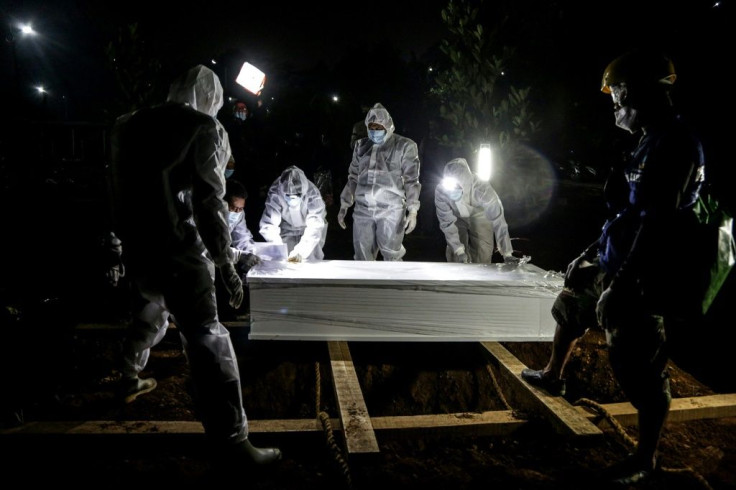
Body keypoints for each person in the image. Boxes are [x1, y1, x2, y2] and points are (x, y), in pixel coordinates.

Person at [520, 49, 705, 485]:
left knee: (636, 366)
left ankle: (645, 459)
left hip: (645, 274)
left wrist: (618, 285)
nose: (614, 104)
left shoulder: (674, 145)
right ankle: (553, 375)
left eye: (618, 95)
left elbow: (655, 224)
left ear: (639, 92)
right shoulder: (646, 141)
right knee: (569, 303)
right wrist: (589, 254)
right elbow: (626, 213)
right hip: (616, 257)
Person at [110, 64, 281, 465]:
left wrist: (116, 248)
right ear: (212, 98)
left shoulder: (125, 126)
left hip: (140, 249)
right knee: (207, 340)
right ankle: (233, 442)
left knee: (148, 313)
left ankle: (129, 376)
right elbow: (209, 206)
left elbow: (115, 194)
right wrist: (224, 263)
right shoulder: (205, 129)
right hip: (181, 254)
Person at [337, 103, 421, 261]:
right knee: (362, 256)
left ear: (388, 126)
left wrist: (413, 209)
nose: (374, 131)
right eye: (371, 127)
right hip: (363, 208)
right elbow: (353, 176)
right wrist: (344, 204)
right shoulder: (361, 146)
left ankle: (394, 285)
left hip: (391, 209)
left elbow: (411, 179)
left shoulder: (404, 146)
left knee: (391, 255)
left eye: (379, 127)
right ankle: (365, 285)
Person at [435, 157, 519, 264]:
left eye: (458, 187)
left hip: (480, 215)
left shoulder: (482, 188)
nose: (454, 191)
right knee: (455, 256)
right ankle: (457, 277)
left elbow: (498, 220)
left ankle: (479, 279)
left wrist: (507, 254)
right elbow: (447, 222)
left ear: (466, 184)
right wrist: (459, 251)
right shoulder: (441, 191)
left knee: (483, 253)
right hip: (457, 217)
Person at [259, 165, 328, 262]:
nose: (292, 198)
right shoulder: (276, 191)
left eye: (298, 195)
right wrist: (279, 248)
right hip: (287, 230)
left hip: (307, 230)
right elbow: (268, 224)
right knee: (283, 261)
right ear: (282, 191)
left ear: (303, 191)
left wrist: (301, 251)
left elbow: (314, 227)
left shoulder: (313, 194)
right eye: (288, 195)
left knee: (310, 262)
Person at [217, 179, 262, 320]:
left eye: (240, 208)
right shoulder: (209, 214)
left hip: (223, 258)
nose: (237, 212)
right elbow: (210, 248)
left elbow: (241, 236)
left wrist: (250, 253)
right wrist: (239, 255)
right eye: (233, 208)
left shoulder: (238, 214)